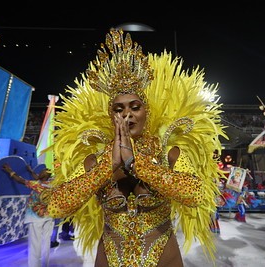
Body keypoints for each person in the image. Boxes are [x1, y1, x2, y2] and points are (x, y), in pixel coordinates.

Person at [46, 29, 227, 267]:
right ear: (111, 115)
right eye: (119, 109)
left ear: (146, 112)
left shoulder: (169, 154)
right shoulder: (94, 160)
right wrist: (108, 166)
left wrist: (137, 164)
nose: (127, 114)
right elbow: (56, 206)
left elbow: (196, 194)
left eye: (135, 107)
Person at [3, 163, 54, 267]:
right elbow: (38, 178)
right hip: (49, 217)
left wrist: (9, 171)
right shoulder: (52, 184)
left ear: (42, 176)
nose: (39, 173)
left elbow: (20, 180)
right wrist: (31, 171)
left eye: (41, 173)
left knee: (35, 243)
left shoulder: (35, 185)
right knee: (46, 242)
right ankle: (45, 264)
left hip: (36, 218)